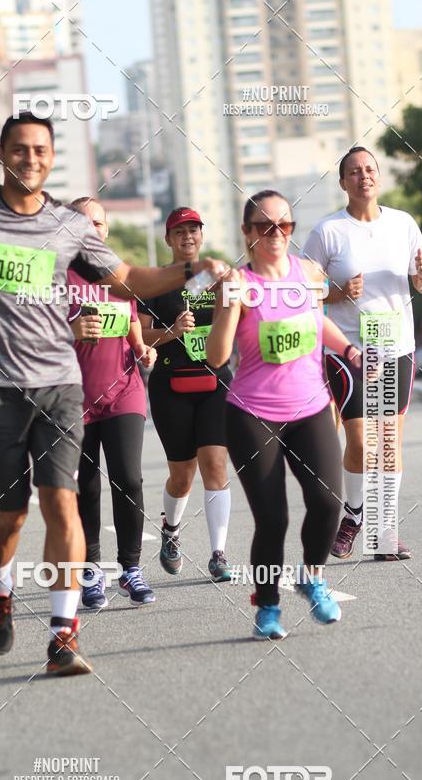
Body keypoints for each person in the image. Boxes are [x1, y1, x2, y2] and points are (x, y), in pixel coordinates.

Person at [0, 111, 227, 676]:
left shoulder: (68, 227)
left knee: (63, 503)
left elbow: (129, 277)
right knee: (10, 515)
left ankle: (63, 636)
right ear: (2, 152)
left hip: (62, 386)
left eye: (40, 150)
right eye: (19, 149)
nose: (29, 159)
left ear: (52, 157)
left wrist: (189, 269)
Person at [207, 190, 361, 639]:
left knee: (328, 503)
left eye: (285, 226)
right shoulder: (241, 282)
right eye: (264, 226)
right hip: (253, 414)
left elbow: (317, 321)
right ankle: (267, 607)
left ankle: (312, 577)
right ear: (247, 233)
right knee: (272, 519)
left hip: (311, 407)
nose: (276, 234)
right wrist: (228, 303)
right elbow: (218, 357)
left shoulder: (309, 273)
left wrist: (348, 348)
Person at [303, 146, 422, 562]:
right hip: (350, 349)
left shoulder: (403, 224)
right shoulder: (327, 232)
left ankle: (382, 531)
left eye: (370, 169)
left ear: (379, 177)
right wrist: (338, 293)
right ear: (343, 182)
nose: (365, 176)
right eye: (355, 172)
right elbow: (300, 290)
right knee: (361, 440)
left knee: (390, 440)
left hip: (397, 345)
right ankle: (355, 513)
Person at [67, 196, 157, 610]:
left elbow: (134, 329)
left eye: (100, 223)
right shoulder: (56, 276)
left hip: (124, 391)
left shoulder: (119, 277)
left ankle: (131, 569)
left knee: (130, 479)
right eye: (85, 222)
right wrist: (71, 330)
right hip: (73, 398)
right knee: (85, 487)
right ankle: (90, 573)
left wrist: (144, 351)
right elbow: (36, 339)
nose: (94, 229)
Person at [138, 208, 235, 583]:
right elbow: (140, 336)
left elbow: (241, 319)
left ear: (202, 235)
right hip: (170, 385)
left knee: (215, 464)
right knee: (182, 475)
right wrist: (172, 331)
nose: (188, 237)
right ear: (168, 239)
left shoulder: (218, 279)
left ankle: (218, 553)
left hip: (215, 382)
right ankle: (171, 530)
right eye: (179, 232)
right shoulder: (156, 283)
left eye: (194, 230)